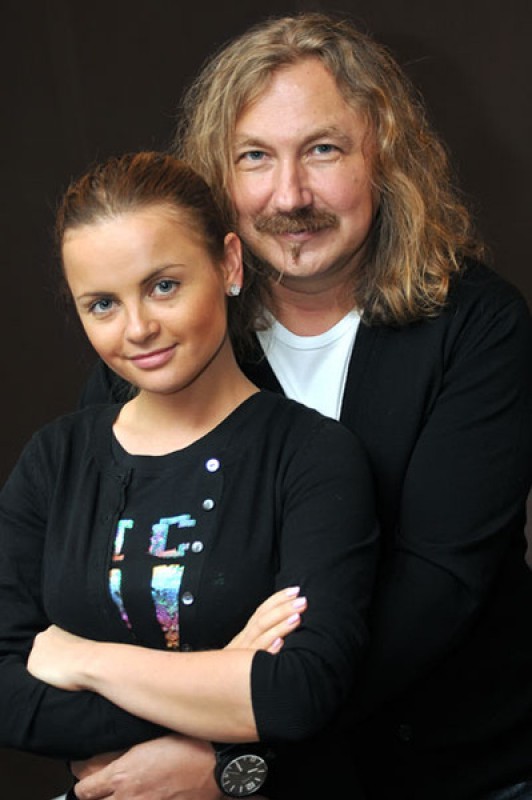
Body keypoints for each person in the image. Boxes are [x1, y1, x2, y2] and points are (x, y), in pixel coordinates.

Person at [77, 10, 532, 800]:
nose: (289, 196)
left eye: (323, 150)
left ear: (383, 156)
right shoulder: (161, 345)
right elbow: (100, 573)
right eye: (255, 156)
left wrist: (230, 755)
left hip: (459, 770)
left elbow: (435, 589)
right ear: (218, 177)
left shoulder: (479, 327)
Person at [0, 151, 379, 800]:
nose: (138, 329)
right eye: (102, 304)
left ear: (228, 264)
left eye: (163, 286)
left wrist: (83, 660)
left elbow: (300, 693)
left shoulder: (313, 457)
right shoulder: (54, 460)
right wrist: (227, 677)